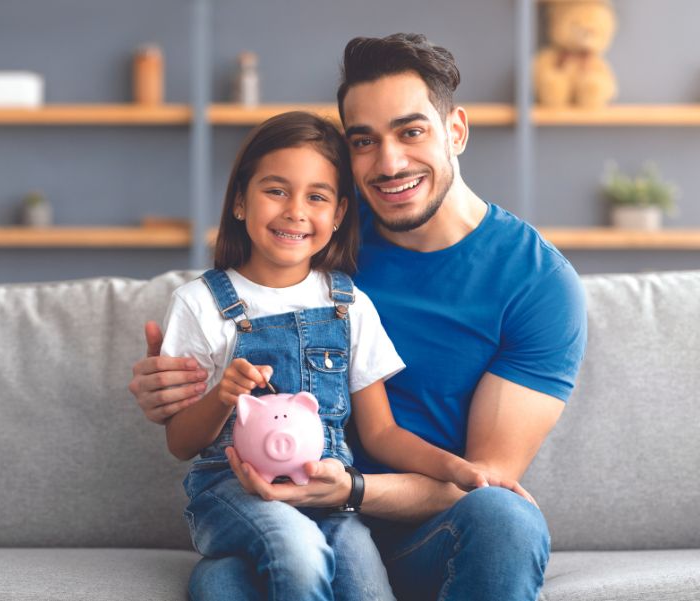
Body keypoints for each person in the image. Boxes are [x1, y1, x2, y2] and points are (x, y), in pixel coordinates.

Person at [130, 34, 587, 601]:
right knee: (221, 583)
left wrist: (349, 491)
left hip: (418, 533)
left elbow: (477, 483)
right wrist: (173, 390)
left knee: (507, 519)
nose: (389, 162)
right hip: (283, 515)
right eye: (364, 140)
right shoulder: (316, 235)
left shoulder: (537, 283)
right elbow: (231, 315)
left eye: (411, 131)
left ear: (456, 131)